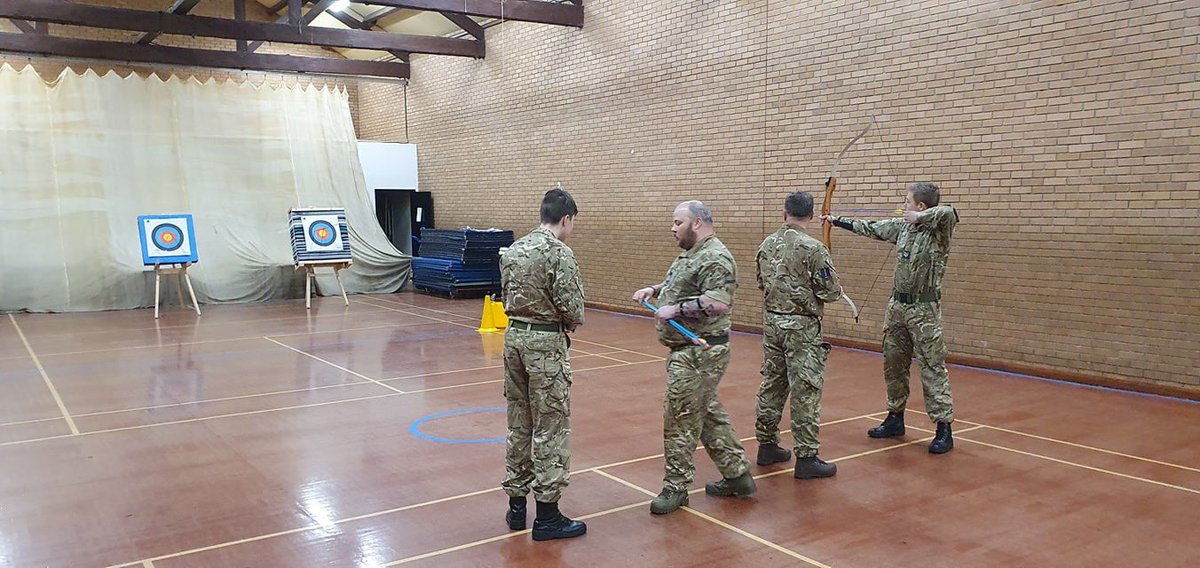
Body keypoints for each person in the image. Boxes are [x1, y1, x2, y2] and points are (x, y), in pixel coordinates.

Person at [632, 200, 756, 515]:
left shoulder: (716, 256)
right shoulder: (695, 254)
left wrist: (674, 310)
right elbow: (683, 284)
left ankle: (676, 488)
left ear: (697, 222)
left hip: (699, 351)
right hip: (687, 351)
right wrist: (655, 290)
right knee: (707, 413)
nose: (673, 229)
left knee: (680, 418)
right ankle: (738, 475)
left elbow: (717, 302)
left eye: (678, 222)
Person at [820, 181, 959, 454]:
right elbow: (872, 227)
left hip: (925, 310)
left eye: (908, 202)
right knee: (893, 363)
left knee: (932, 367)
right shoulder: (904, 227)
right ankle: (895, 417)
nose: (905, 206)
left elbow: (949, 212)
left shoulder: (939, 230)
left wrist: (921, 217)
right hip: (897, 308)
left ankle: (944, 427)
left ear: (920, 206)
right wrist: (835, 221)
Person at [499, 186, 587, 540]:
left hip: (513, 338)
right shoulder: (559, 253)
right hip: (544, 346)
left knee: (520, 421)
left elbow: (507, 292)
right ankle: (548, 516)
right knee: (550, 425)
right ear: (566, 219)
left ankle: (517, 507)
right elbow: (573, 308)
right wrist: (567, 322)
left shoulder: (514, 248)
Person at [753, 191, 842, 478]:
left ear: (784, 213)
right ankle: (807, 458)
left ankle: (767, 445)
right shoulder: (813, 248)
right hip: (802, 328)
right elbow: (830, 291)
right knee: (805, 388)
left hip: (772, 324)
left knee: (773, 383)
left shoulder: (766, 245)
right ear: (812, 215)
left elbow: (761, 282)